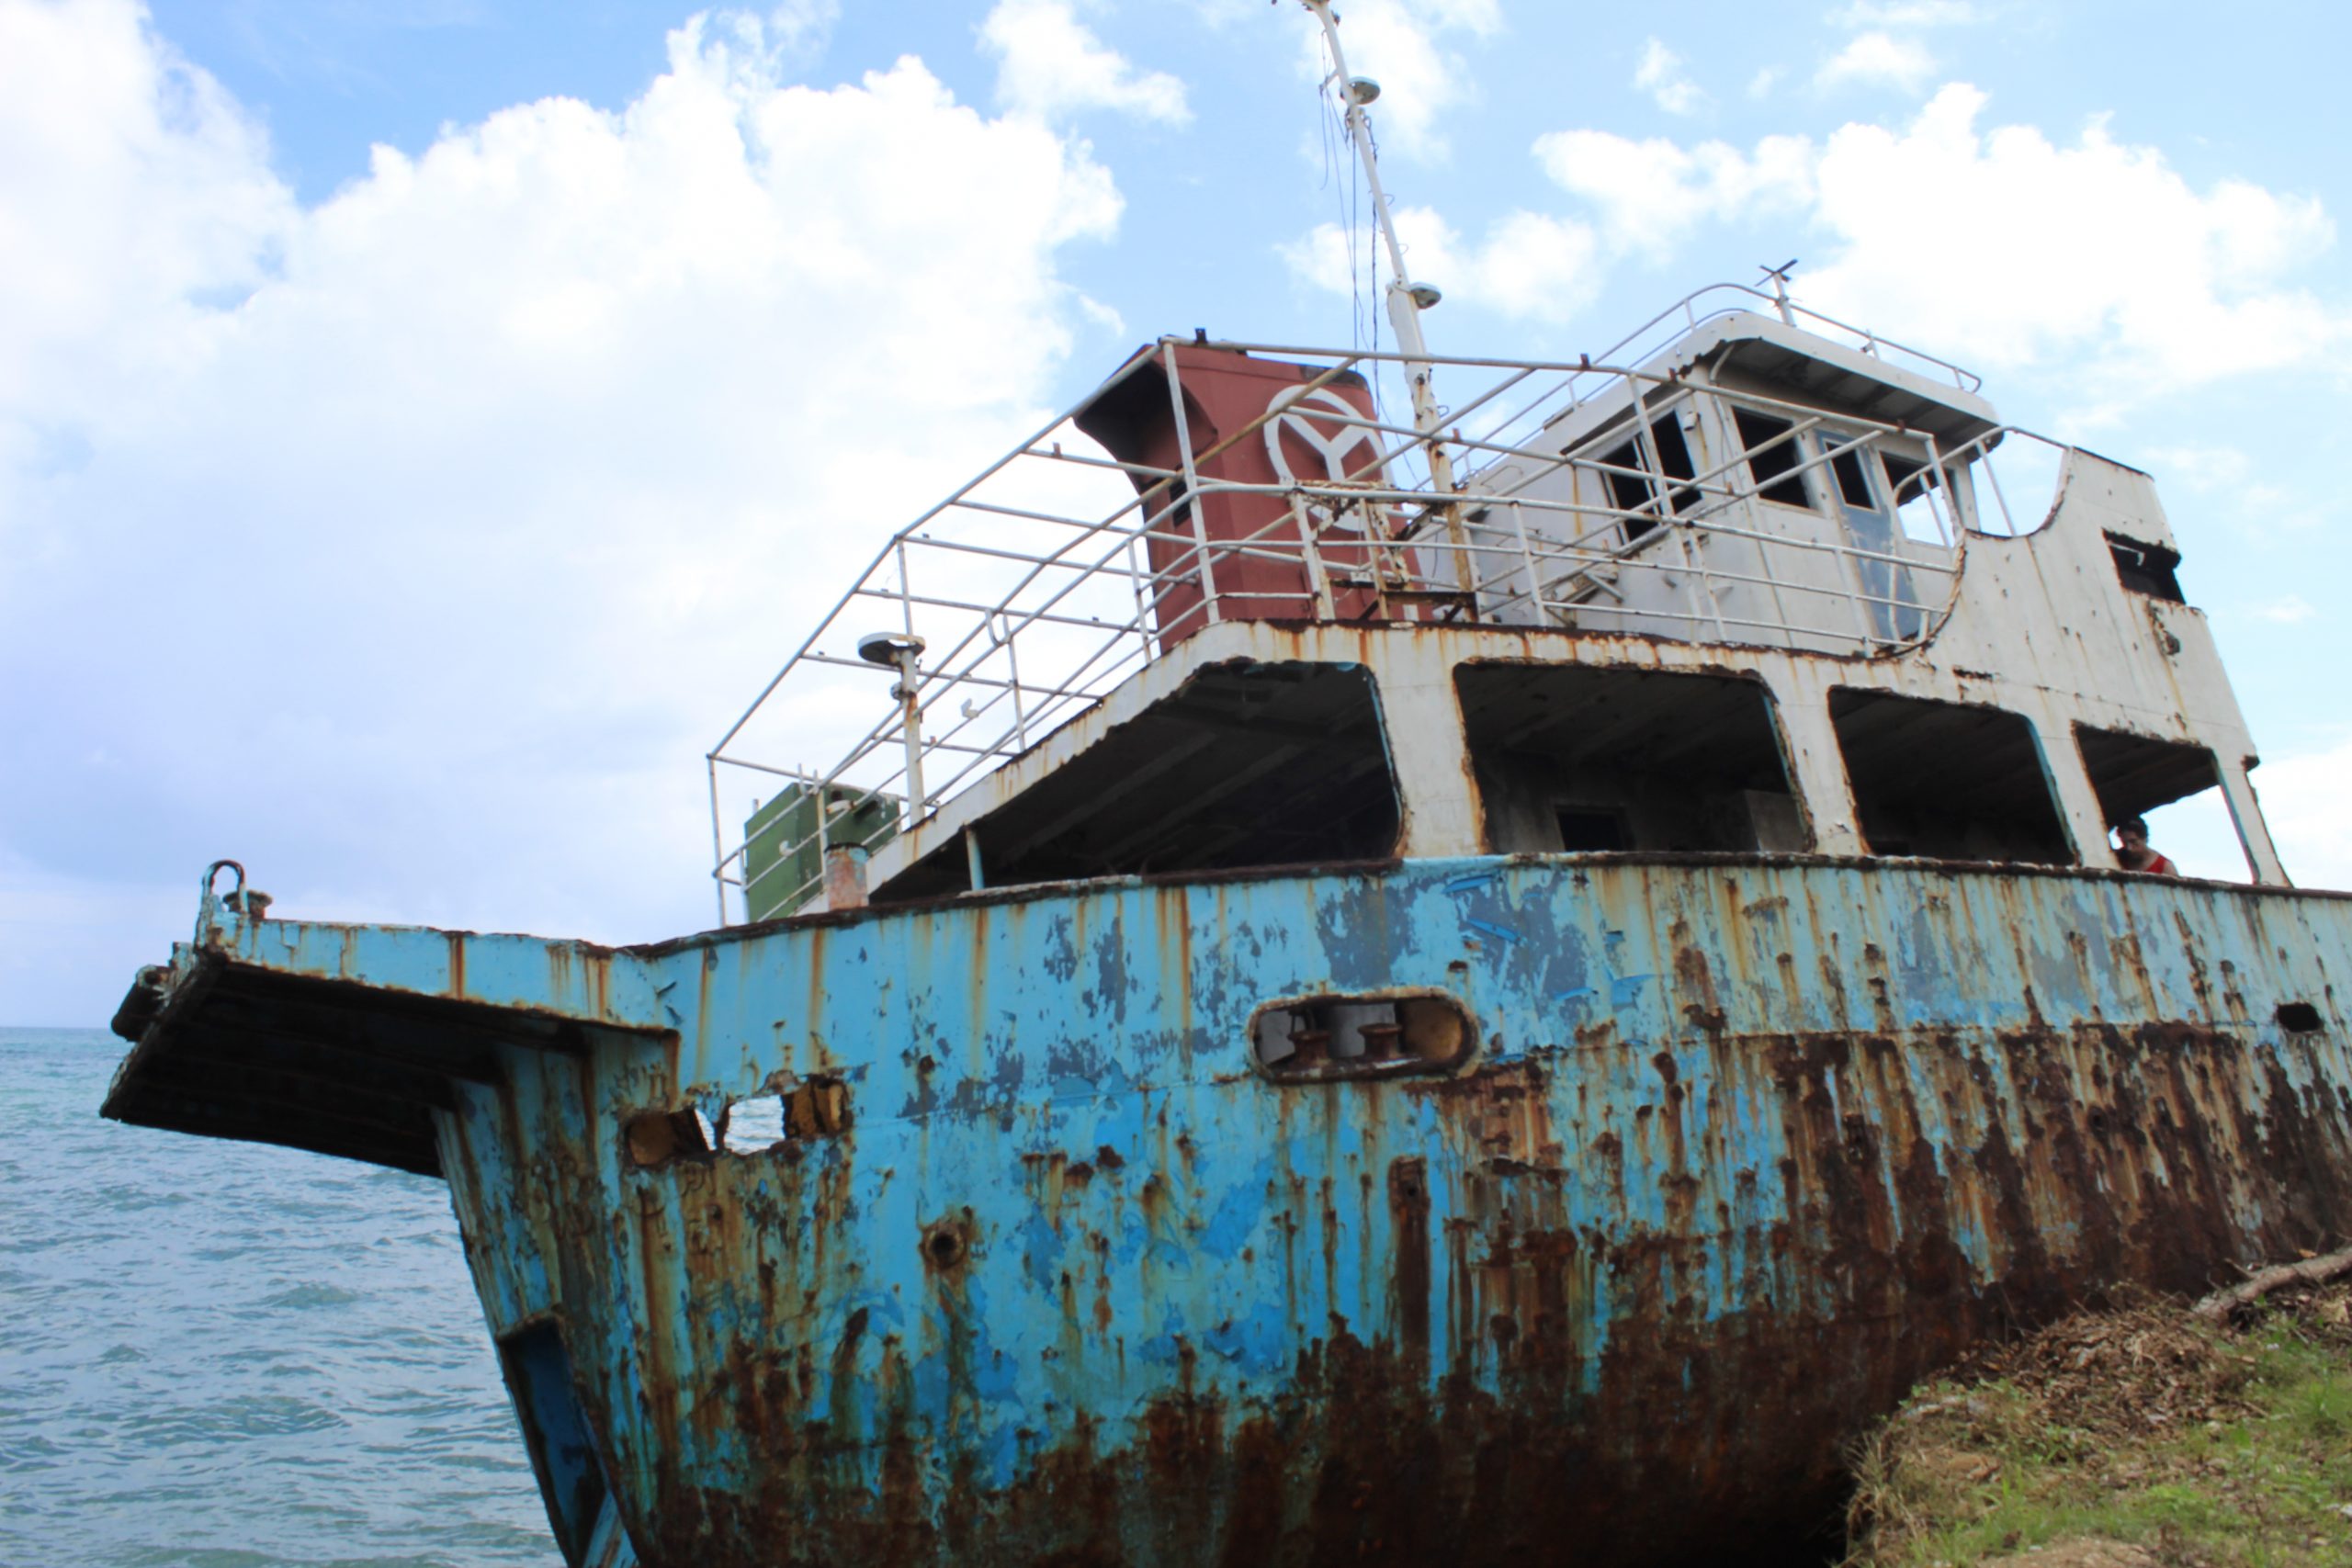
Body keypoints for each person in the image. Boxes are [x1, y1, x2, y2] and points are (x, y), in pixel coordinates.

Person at [2113, 816, 2177, 875]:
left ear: (2145, 839)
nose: (2129, 848)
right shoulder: (2115, 857)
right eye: (2124, 843)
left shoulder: (2165, 867)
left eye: (2133, 842)